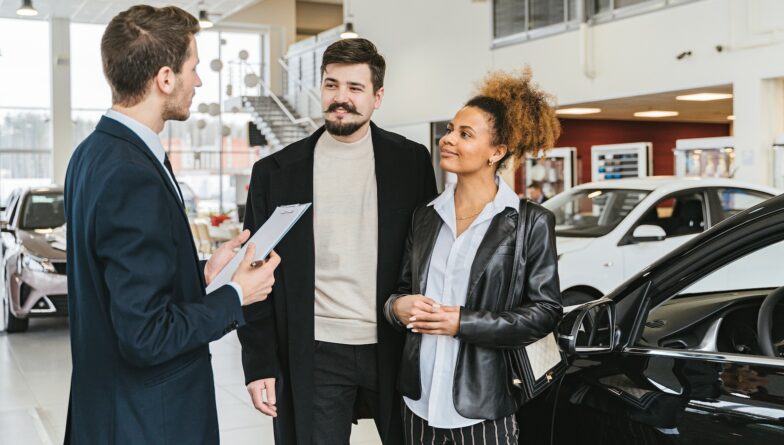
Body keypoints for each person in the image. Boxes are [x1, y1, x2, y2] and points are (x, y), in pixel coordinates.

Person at [63, 5, 280, 444]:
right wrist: (237, 294)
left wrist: (201, 272)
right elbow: (145, 335)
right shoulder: (131, 172)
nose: (197, 82)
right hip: (148, 421)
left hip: (109, 408)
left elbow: (123, 282)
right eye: (193, 69)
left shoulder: (92, 153)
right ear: (165, 78)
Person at [237, 38, 438, 445]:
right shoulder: (275, 173)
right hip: (313, 350)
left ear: (378, 96)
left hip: (394, 344)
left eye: (354, 88)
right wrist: (258, 363)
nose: (340, 98)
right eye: (332, 85)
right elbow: (252, 275)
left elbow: (427, 256)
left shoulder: (411, 162)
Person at [384, 67, 563, 445]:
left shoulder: (531, 223)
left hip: (484, 405)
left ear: (496, 152)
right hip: (418, 399)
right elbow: (402, 288)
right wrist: (397, 307)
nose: (447, 139)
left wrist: (462, 322)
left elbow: (544, 312)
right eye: (450, 129)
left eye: (464, 134)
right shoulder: (425, 217)